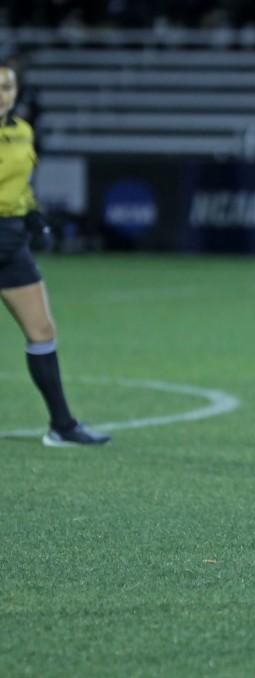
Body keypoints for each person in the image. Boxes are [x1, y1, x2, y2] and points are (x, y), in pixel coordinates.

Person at [0, 66, 110, 447]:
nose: (3, 94)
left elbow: (22, 183)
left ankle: (61, 426)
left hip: (10, 241)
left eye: (8, 87)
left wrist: (33, 215)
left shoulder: (23, 130)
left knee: (42, 331)